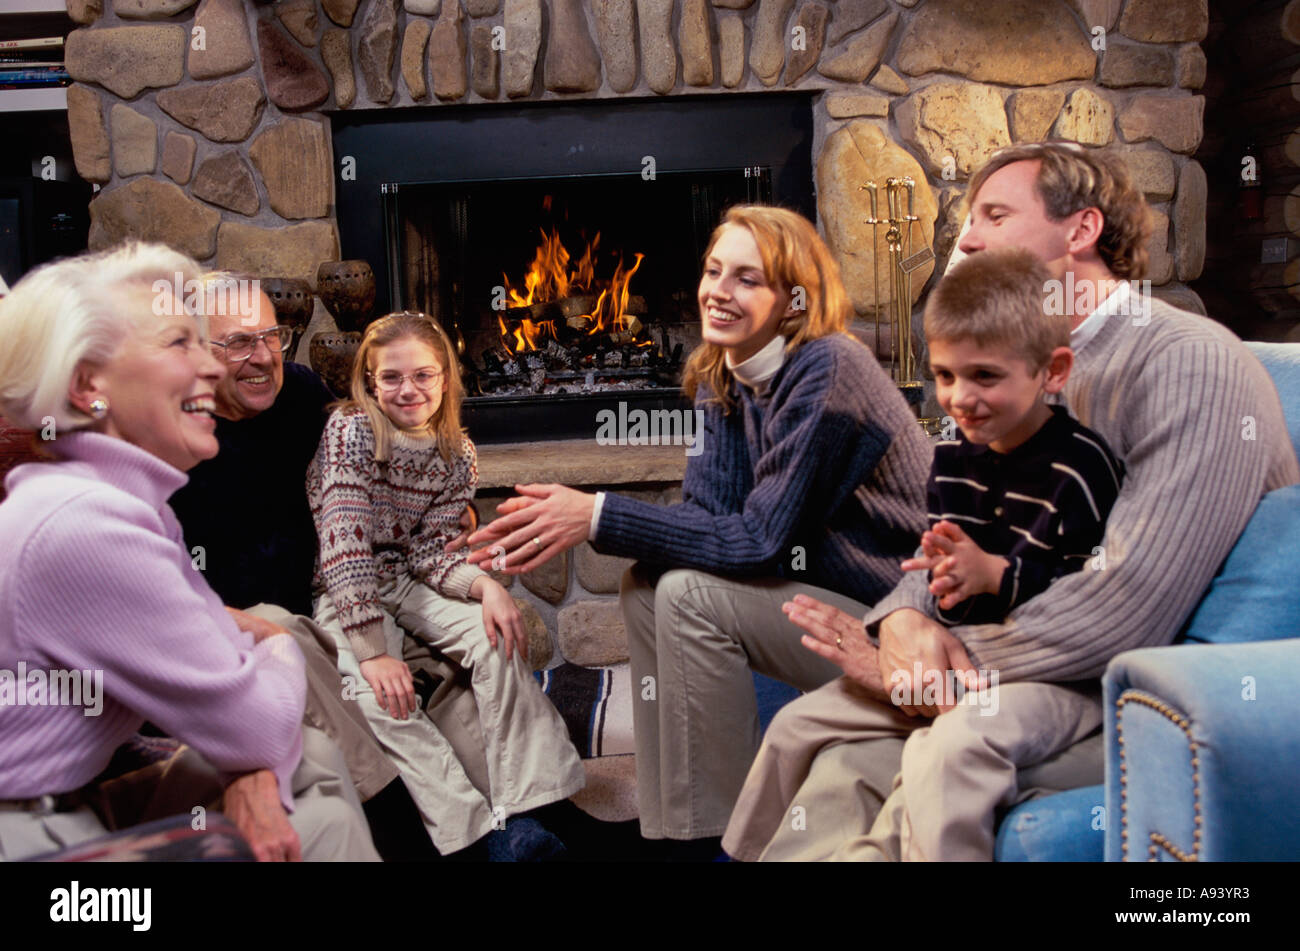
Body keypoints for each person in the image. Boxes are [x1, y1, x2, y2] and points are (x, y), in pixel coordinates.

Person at [722, 142, 1300, 861]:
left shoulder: (1184, 362)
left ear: (1080, 231)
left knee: (926, 760)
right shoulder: (1010, 372)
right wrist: (902, 617)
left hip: (1129, 691)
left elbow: (1129, 599)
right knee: (831, 758)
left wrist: (933, 666)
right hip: (1019, 663)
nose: (964, 237)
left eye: (994, 212)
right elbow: (950, 530)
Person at [466, 204, 932, 852]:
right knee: (648, 584)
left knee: (687, 595)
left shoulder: (829, 369)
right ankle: (673, 827)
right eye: (714, 270)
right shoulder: (725, 372)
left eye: (747, 277)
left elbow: (760, 538)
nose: (718, 289)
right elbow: (709, 519)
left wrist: (597, 512)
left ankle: (725, 840)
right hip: (820, 590)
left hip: (897, 616)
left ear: (794, 298)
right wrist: (592, 516)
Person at [0, 242, 378, 861]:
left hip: (72, 795)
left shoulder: (119, 501)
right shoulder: (88, 526)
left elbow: (235, 685)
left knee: (311, 761)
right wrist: (276, 643)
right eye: (181, 343)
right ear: (89, 384)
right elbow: (252, 713)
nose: (211, 367)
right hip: (30, 838)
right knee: (322, 818)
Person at [875, 246, 1125, 861]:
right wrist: (944, 582)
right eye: (945, 376)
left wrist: (996, 575)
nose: (960, 398)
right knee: (806, 725)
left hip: (1062, 679)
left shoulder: (1082, 466)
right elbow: (950, 584)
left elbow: (1091, 594)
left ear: (1053, 371)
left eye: (985, 376)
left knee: (950, 750)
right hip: (970, 659)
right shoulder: (950, 462)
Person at [308, 311, 585, 858]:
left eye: (423, 375)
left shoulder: (457, 453)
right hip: (345, 590)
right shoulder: (351, 432)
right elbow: (345, 545)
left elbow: (430, 553)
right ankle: (475, 834)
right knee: (381, 698)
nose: (407, 389)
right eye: (391, 377)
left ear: (444, 378)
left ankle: (532, 806)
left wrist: (486, 589)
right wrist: (371, 652)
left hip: (408, 579)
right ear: (370, 381)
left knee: (496, 640)